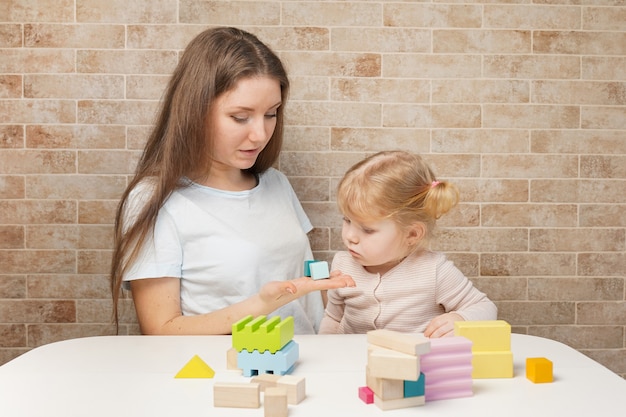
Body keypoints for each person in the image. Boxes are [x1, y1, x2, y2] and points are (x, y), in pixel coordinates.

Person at [110, 27, 354, 336]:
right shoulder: (154, 201)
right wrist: (260, 305)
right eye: (240, 117)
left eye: (271, 114)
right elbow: (161, 330)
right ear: (194, 111)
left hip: (307, 365)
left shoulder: (276, 184)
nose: (260, 135)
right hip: (225, 375)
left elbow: (309, 287)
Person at [318, 151, 497, 337]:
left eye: (367, 230)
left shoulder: (433, 270)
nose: (350, 236)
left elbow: (485, 308)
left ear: (411, 234)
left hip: (414, 364)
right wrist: (324, 348)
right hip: (354, 363)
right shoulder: (343, 265)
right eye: (347, 220)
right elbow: (333, 318)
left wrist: (460, 319)